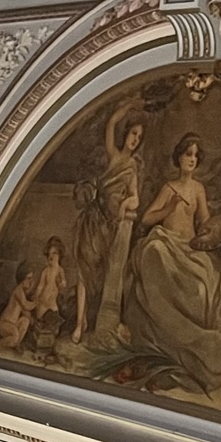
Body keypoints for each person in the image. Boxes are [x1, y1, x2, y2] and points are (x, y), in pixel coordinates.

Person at [121, 133, 221, 392]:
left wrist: (212, 232)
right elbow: (147, 220)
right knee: (153, 250)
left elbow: (204, 222)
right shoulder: (169, 188)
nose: (191, 159)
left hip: (189, 249)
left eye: (195, 155)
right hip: (166, 243)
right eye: (187, 154)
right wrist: (168, 209)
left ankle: (194, 350)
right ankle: (158, 342)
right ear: (179, 157)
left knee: (203, 279)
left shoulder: (198, 189)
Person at [74, 102, 144, 341]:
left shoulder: (133, 166)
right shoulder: (114, 155)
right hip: (94, 218)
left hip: (111, 225)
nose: (135, 140)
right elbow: (111, 123)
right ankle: (78, 322)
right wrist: (129, 103)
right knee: (84, 268)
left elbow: (135, 197)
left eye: (139, 137)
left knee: (101, 272)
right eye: (133, 134)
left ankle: (89, 321)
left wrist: (126, 204)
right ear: (126, 135)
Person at [0, 261, 39, 351]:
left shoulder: (22, 292)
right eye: (29, 278)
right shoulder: (18, 291)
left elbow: (24, 311)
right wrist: (36, 302)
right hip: (5, 324)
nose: (31, 281)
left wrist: (30, 318)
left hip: (13, 324)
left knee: (25, 320)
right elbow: (26, 305)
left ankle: (16, 344)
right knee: (15, 336)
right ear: (22, 279)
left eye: (32, 278)